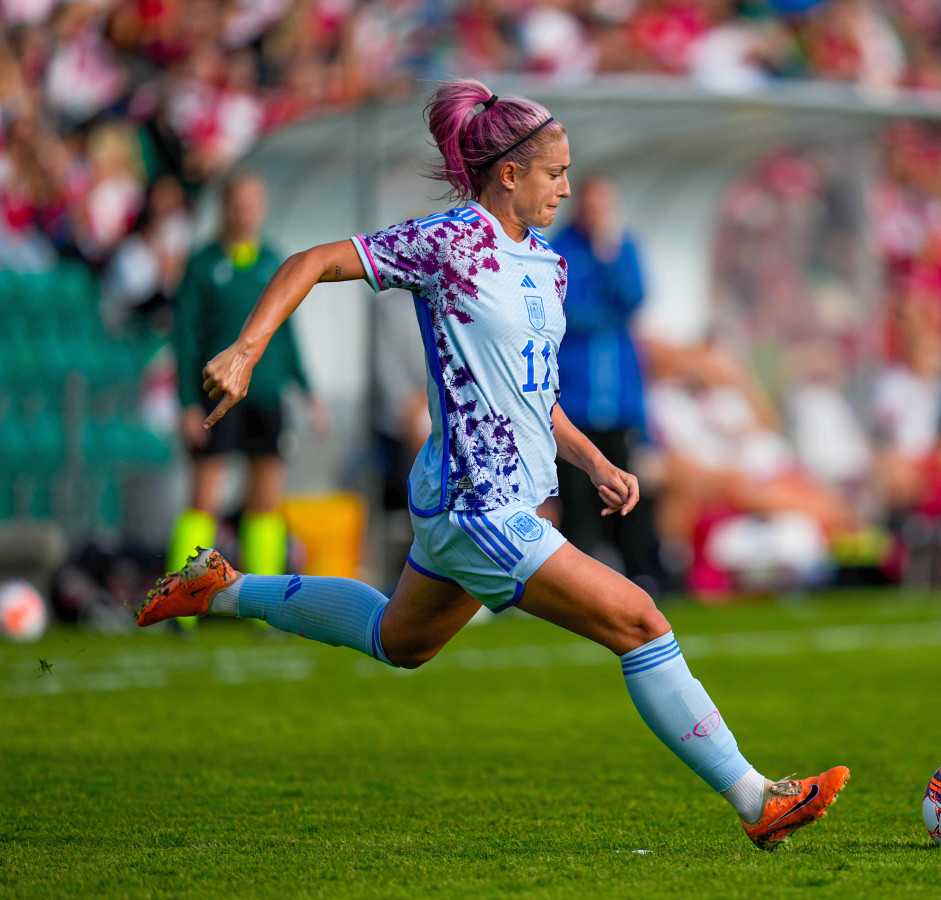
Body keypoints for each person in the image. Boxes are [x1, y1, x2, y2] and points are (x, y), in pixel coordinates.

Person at [137, 80, 848, 850]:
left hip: (472, 503)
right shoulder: (449, 243)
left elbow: (534, 396)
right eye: (555, 173)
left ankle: (222, 590)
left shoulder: (549, 266)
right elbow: (310, 262)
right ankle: (755, 798)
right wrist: (245, 351)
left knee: (396, 641)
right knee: (642, 623)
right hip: (482, 504)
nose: (566, 187)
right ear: (509, 173)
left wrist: (591, 460)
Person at [167, 172, 325, 615]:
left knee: (266, 501)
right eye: (238, 203)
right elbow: (183, 339)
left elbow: (287, 332)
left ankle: (264, 608)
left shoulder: (273, 259)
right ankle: (183, 604)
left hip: (267, 394)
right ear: (224, 207)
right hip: (217, 395)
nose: (246, 212)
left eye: (254, 203)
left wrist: (307, 391)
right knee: (204, 499)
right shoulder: (201, 265)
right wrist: (185, 402)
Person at [553, 175, 661, 589]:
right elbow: (568, 311)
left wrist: (609, 255)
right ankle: (577, 584)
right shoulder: (561, 249)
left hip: (619, 398)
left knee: (629, 491)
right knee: (578, 499)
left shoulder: (622, 247)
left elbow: (633, 297)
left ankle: (639, 575)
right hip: (576, 400)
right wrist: (607, 314)